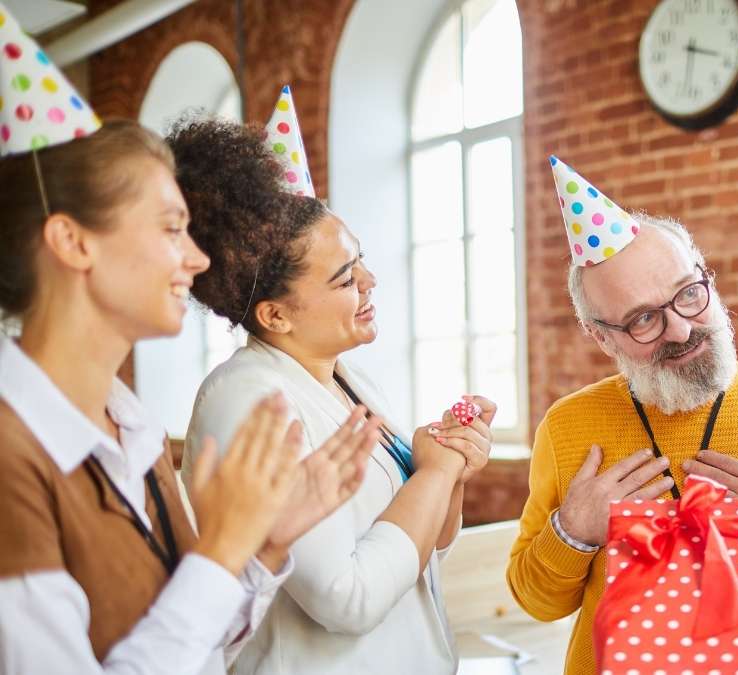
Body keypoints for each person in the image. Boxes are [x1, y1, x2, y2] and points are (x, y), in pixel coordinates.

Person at [0, 63, 377, 673]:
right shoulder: (10, 459)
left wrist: (263, 545)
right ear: (72, 243)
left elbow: (188, 647)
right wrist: (224, 550)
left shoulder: (135, 431)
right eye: (172, 229)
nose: (196, 258)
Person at [506, 157, 738, 674]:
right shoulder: (567, 426)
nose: (680, 330)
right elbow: (535, 602)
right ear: (601, 335)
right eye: (643, 319)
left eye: (689, 294)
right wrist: (573, 530)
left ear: (707, 277)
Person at [167, 114, 496, 674]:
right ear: (275, 315)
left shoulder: (346, 379)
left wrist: (449, 472)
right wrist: (434, 477)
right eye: (345, 278)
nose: (370, 280)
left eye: (360, 259)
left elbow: (426, 549)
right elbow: (348, 598)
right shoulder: (247, 400)